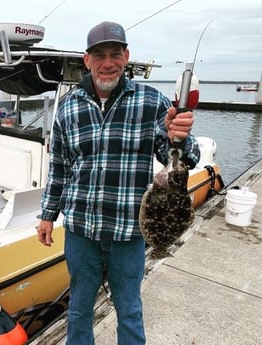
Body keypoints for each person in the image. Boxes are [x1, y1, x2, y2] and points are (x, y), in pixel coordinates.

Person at [37, 21, 200, 345]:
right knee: (79, 311)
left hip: (129, 233)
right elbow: (60, 168)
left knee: (129, 310)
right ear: (87, 60)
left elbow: (183, 157)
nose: (107, 62)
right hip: (81, 232)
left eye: (115, 54)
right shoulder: (68, 108)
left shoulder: (152, 102)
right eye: (100, 55)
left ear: (126, 56)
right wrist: (47, 214)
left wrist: (180, 135)